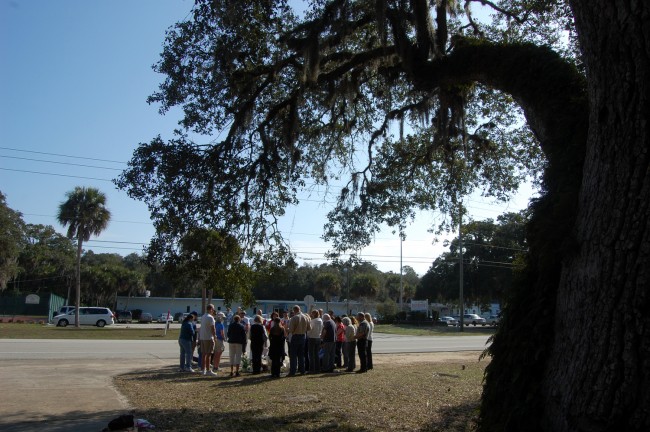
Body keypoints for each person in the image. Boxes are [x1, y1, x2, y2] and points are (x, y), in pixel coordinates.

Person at [287, 305, 310, 376]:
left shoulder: (294, 318)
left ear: (294, 310)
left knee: (293, 355)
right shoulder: (306, 317)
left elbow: (291, 330)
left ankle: (292, 371)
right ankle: (302, 370)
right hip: (303, 336)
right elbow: (309, 328)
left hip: (296, 336)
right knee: (301, 354)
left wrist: (286, 329)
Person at [199, 304, 218, 376]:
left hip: (203, 337)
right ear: (211, 309)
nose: (213, 310)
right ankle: (208, 370)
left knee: (203, 354)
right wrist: (215, 336)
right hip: (208, 338)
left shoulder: (203, 316)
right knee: (209, 354)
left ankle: (203, 369)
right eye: (213, 309)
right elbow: (213, 328)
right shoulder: (210, 318)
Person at [306, 309, 323, 373]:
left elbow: (310, 330)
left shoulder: (312, 321)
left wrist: (308, 334)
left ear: (313, 314)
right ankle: (317, 368)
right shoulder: (320, 320)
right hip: (318, 337)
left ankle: (312, 369)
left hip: (312, 338)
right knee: (316, 354)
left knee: (311, 354)